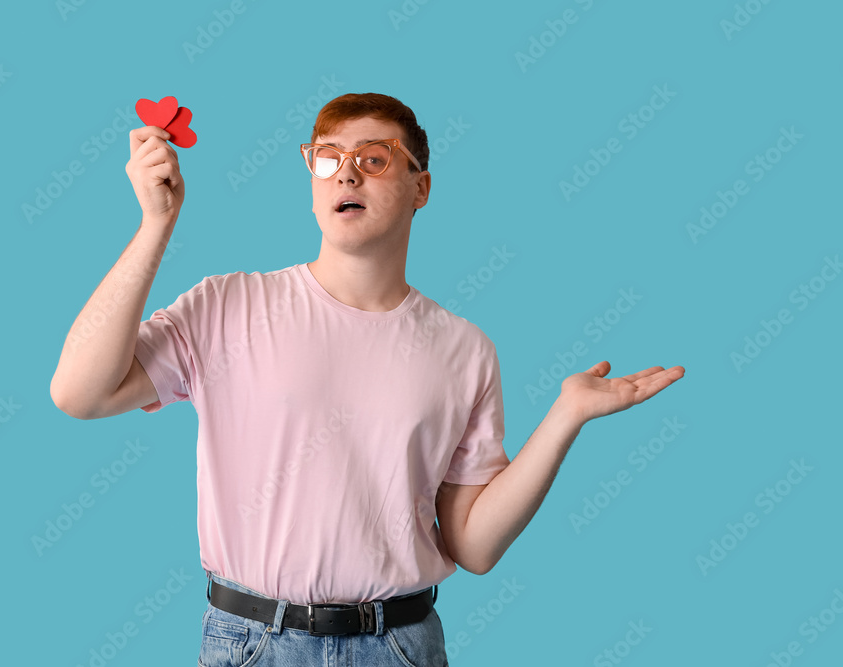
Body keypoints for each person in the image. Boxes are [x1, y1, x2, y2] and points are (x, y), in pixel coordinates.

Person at [49, 92, 685, 666]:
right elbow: (81, 392)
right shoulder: (228, 306)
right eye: (327, 157)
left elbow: (474, 545)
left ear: (421, 186)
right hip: (250, 644)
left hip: (400, 646)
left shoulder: (464, 349)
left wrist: (565, 416)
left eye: (375, 158)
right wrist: (155, 225)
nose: (346, 171)